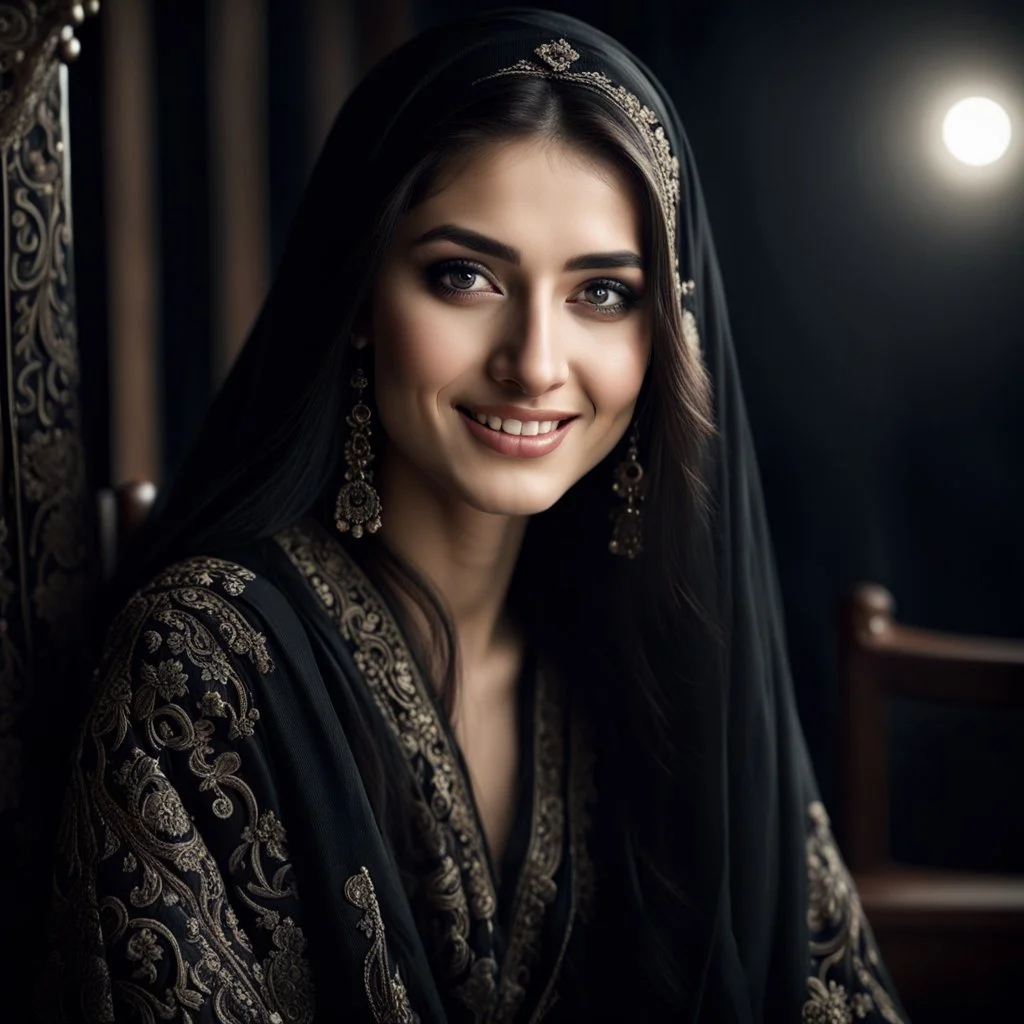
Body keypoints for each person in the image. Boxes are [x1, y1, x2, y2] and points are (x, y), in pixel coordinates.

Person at [40, 9, 909, 1022]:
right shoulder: (202, 662)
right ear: (359, 293)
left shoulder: (651, 648)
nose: (534, 362)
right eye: (465, 277)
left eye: (602, 294)